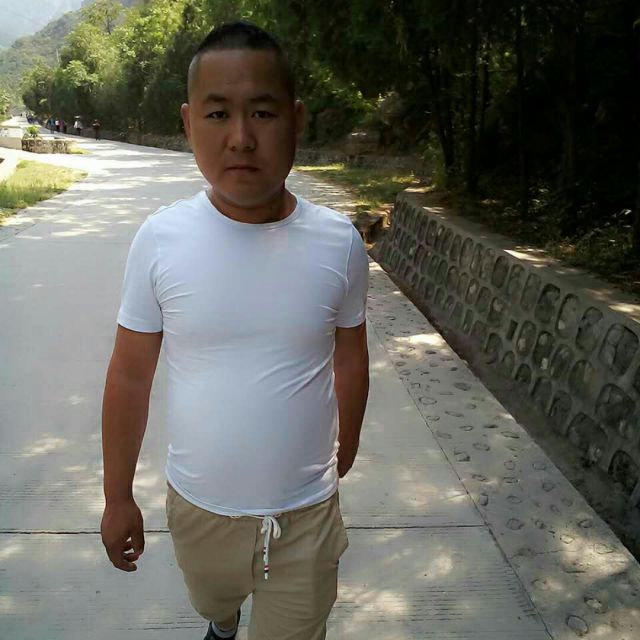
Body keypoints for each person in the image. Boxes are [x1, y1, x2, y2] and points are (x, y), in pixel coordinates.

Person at [100, 20, 370, 640]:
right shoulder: (160, 241)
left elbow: (351, 353)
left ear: (296, 120)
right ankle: (222, 624)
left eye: (263, 113)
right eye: (218, 114)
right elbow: (129, 377)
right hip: (200, 506)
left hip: (307, 510)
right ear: (188, 122)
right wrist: (117, 495)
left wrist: (349, 438)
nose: (242, 138)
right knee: (212, 601)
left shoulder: (339, 243)